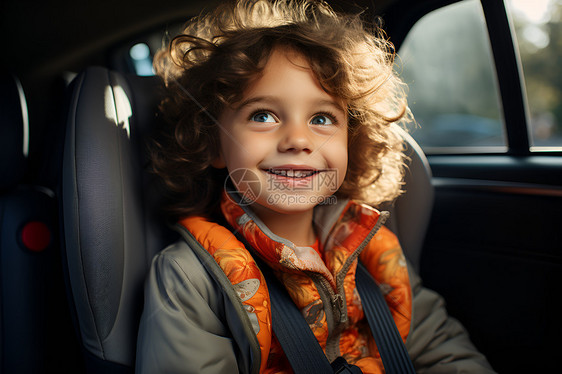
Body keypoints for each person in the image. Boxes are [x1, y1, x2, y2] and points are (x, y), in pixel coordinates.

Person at [135, 0, 495, 373]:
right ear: (213, 143)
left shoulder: (376, 254)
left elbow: (444, 352)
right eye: (263, 115)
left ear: (351, 144)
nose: (297, 140)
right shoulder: (192, 280)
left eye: (322, 118)